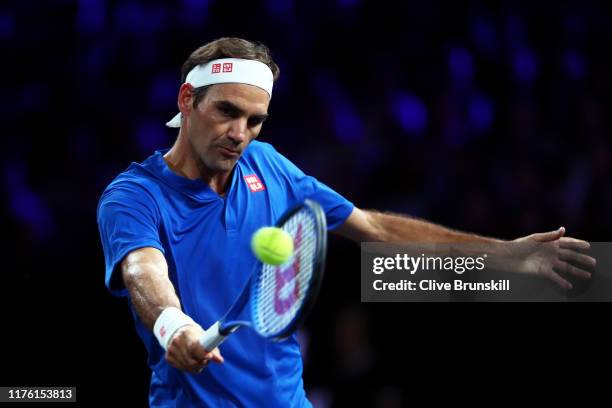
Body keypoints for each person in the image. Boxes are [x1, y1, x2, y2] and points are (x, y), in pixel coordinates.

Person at [97, 37, 595, 407]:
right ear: (188, 100)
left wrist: (506, 254)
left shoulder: (269, 164)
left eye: (255, 120)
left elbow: (376, 229)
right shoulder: (134, 196)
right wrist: (173, 325)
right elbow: (144, 271)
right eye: (227, 112)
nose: (239, 134)